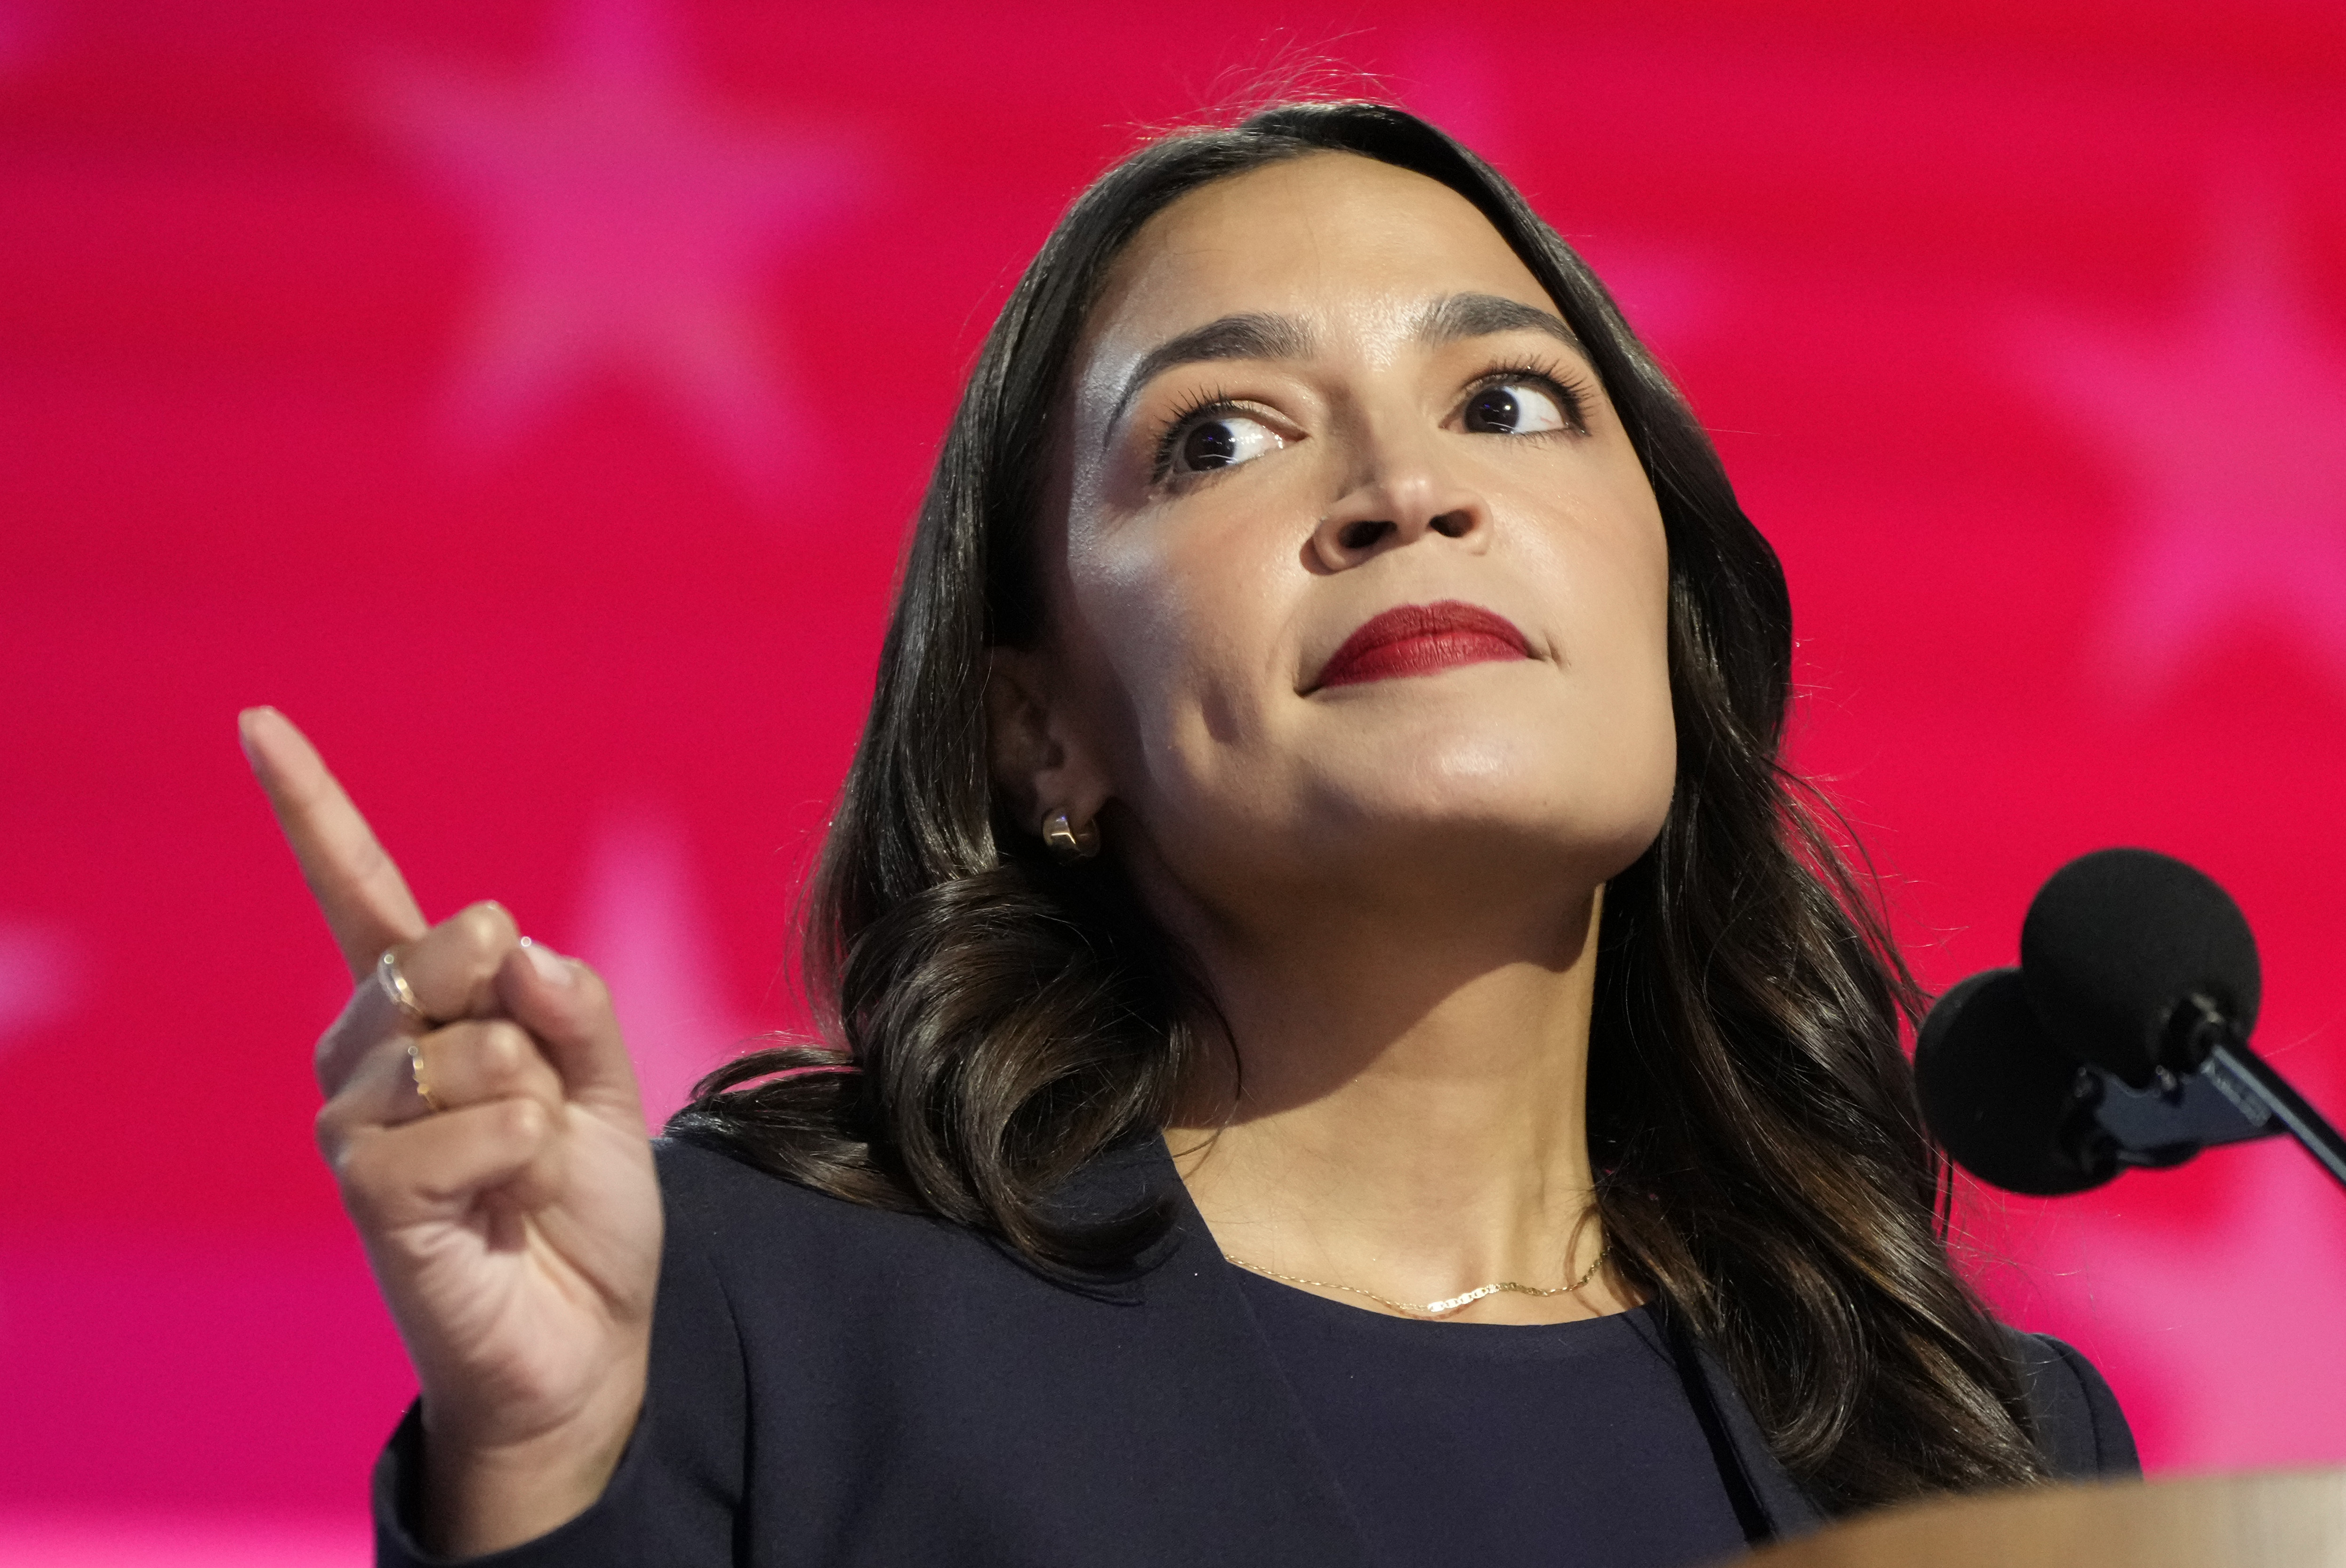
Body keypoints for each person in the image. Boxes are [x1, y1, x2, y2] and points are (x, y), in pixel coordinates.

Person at [241, 102, 2135, 1568]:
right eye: (1221, 437)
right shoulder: (769, 1308)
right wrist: (556, 1474)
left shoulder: (1983, 1442)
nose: (1405, 488)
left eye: (1506, 401)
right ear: (1043, 727)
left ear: (1669, 621)